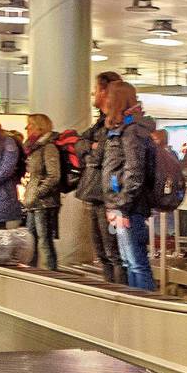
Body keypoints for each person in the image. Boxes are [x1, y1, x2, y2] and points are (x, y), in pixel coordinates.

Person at [101, 81, 157, 291]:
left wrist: (122, 206)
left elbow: (134, 170)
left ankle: (147, 309)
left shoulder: (131, 131)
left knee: (136, 263)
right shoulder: (122, 129)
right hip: (121, 206)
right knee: (129, 262)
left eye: (108, 96)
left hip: (129, 208)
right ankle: (138, 306)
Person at [77, 71, 126, 284]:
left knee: (115, 253)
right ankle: (109, 293)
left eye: (96, 90)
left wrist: (92, 150)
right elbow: (80, 144)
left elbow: (100, 157)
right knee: (103, 253)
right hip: (95, 193)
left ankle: (121, 297)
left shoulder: (119, 123)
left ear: (105, 91)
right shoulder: (100, 124)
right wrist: (90, 148)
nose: (93, 94)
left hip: (111, 198)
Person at [22, 113, 62, 271]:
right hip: (33, 202)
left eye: (30, 125)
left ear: (40, 127)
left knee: (45, 241)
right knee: (31, 240)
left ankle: (52, 275)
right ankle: (32, 273)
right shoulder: (33, 148)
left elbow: (54, 175)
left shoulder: (48, 147)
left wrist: (38, 192)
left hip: (44, 203)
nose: (27, 128)